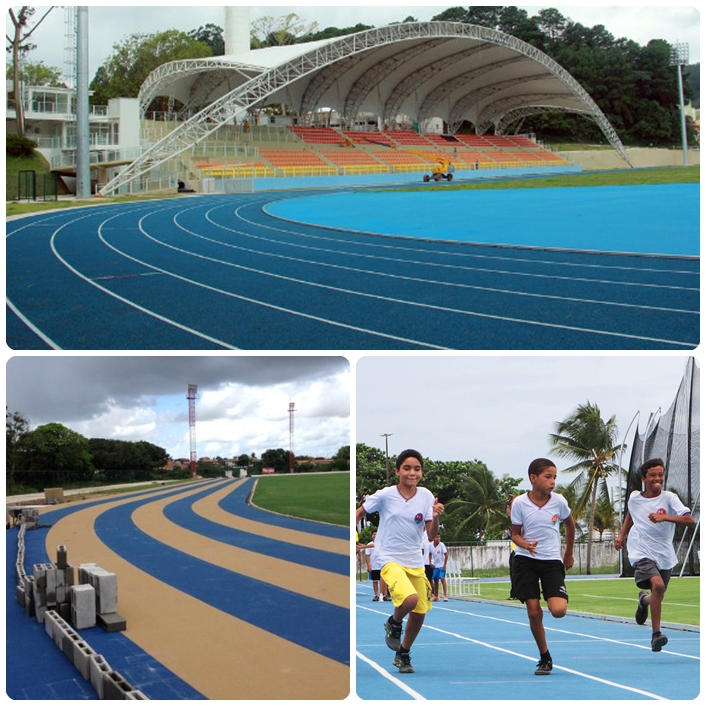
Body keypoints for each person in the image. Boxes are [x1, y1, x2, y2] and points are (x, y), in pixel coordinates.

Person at [355, 449, 444, 674]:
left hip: (415, 560)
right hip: (388, 558)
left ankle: (403, 653)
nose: (412, 473)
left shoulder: (425, 496)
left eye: (416, 469)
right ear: (397, 471)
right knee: (411, 599)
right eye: (406, 468)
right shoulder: (385, 495)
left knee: (419, 612)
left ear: (421, 472)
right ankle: (394, 623)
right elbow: (359, 512)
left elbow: (431, 535)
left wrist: (436, 515)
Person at [614, 457, 695, 652]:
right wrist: (622, 534)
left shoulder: (669, 498)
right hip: (641, 550)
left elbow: (690, 520)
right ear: (644, 478)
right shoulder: (635, 497)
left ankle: (643, 601)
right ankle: (656, 635)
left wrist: (664, 517)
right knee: (657, 585)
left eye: (660, 475)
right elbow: (631, 512)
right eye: (652, 475)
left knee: (657, 594)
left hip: (664, 553)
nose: (657, 478)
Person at [511, 458, 575, 676]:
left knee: (558, 611)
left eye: (555, 477)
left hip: (551, 561)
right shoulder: (520, 503)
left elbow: (570, 525)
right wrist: (526, 545)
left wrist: (568, 553)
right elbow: (515, 535)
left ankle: (553, 595)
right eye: (548, 477)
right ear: (533, 478)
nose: (552, 481)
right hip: (525, 560)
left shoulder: (559, 502)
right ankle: (545, 657)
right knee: (533, 611)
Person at [505, 495, 519, 600]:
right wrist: (507, 505)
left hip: (522, 551)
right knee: (513, 573)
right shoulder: (515, 520)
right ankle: (514, 593)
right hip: (515, 550)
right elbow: (509, 516)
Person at [431, 534, 448, 601]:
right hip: (435, 566)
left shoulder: (442, 545)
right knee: (435, 580)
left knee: (442, 578)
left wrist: (444, 565)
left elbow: (446, 555)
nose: (439, 538)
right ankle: (436, 596)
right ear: (434, 538)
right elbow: (429, 554)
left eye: (439, 537)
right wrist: (430, 562)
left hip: (441, 565)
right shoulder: (431, 545)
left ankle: (445, 595)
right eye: (437, 537)